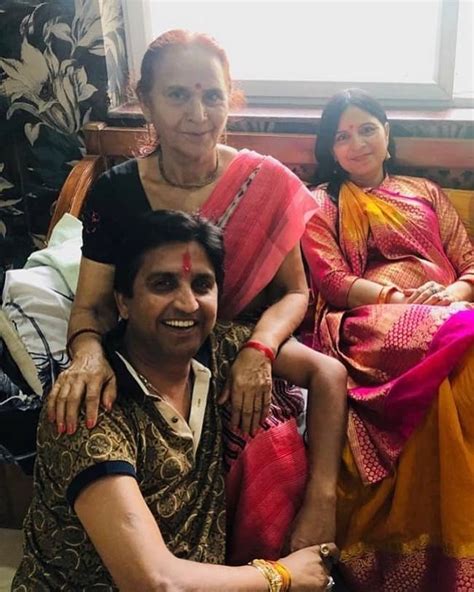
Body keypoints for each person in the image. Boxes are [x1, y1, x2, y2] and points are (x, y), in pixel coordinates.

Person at [47, 29, 335, 559]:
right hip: (153, 354)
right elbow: (92, 306)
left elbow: (296, 293)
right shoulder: (115, 191)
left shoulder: (265, 182)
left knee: (273, 457)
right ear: (146, 101)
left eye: (212, 96)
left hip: (245, 350)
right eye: (178, 95)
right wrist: (86, 354)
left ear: (230, 100)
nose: (198, 114)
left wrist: (258, 350)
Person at [13, 210, 342, 591]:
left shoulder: (220, 349)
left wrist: (322, 500)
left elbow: (328, 374)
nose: (187, 304)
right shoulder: (90, 406)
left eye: (202, 285)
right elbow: (153, 583)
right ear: (123, 302)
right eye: (163, 284)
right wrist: (281, 575)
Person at [302, 88, 474, 592]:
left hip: (448, 308)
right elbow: (332, 280)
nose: (357, 143)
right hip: (369, 320)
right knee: (455, 336)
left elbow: (469, 261)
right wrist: (401, 299)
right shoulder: (320, 203)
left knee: (461, 348)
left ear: (387, 133)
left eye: (367, 129)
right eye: (342, 136)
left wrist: (451, 293)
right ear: (330, 149)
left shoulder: (426, 192)